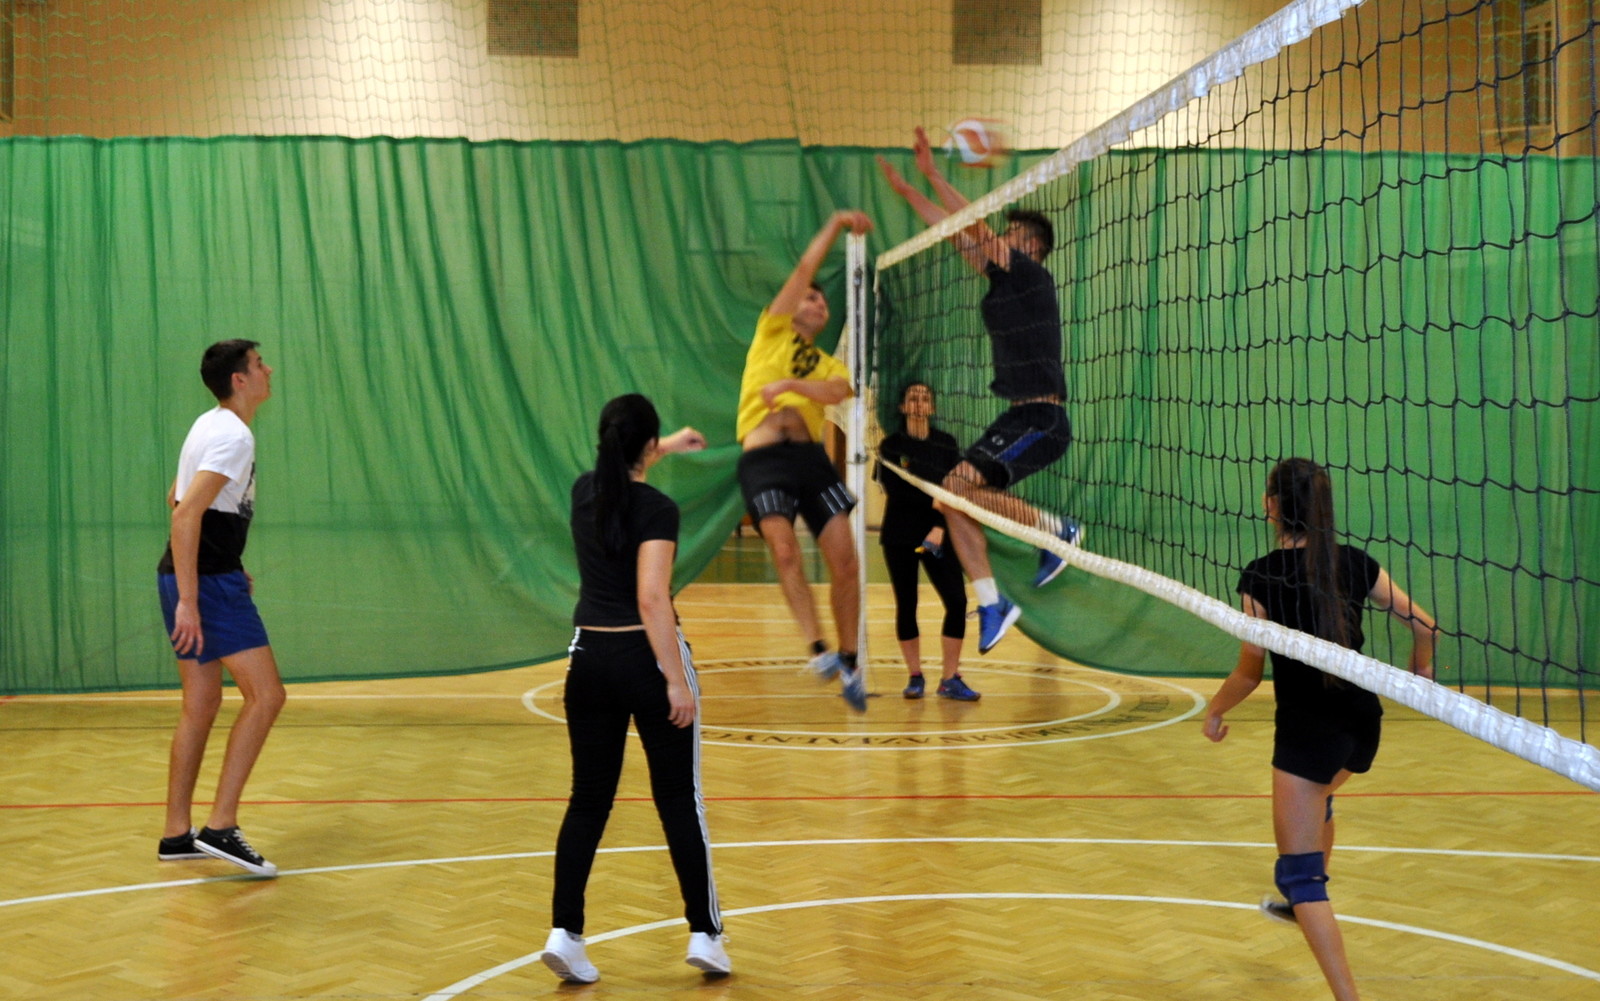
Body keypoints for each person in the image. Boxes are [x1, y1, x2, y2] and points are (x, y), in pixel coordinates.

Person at [1202, 458, 1437, 1001]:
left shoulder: (1260, 576)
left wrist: (1214, 711)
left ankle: (1332, 963)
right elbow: (1425, 625)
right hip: (1362, 724)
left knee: (1299, 874)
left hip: (1308, 737)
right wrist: (1421, 673)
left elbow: (1248, 673)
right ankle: (1301, 899)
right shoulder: (1353, 562)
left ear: (1272, 505)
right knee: (1319, 801)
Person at [539, 394, 729, 984]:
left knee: (587, 800)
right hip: (645, 662)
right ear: (646, 445)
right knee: (678, 799)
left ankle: (564, 933)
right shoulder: (658, 509)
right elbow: (651, 599)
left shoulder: (583, 491)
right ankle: (705, 935)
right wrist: (675, 680)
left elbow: (620, 470)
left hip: (588, 663)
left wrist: (662, 445)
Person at [878, 127, 1081, 657]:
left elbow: (973, 222)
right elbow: (954, 231)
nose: (1001, 239)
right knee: (950, 495)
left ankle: (1056, 530)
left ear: (1030, 246)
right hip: (1015, 417)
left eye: (1011, 234)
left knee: (956, 489)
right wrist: (909, 190)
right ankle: (993, 602)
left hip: (1042, 420)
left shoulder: (1032, 276)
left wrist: (933, 173)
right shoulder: (1001, 280)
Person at [155, 339, 286, 878]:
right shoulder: (234, 434)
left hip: (189, 574)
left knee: (201, 703)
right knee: (267, 696)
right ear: (240, 379)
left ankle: (176, 834)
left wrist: (223, 563)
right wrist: (192, 600)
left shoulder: (207, 424)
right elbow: (184, 514)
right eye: (258, 363)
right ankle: (221, 827)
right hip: (205, 585)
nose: (268, 369)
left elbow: (174, 496)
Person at [736, 209, 873, 711]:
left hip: (812, 461)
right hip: (765, 461)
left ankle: (850, 660)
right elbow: (803, 271)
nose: (817, 302)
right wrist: (835, 225)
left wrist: (792, 386)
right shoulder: (771, 332)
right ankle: (818, 649)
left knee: (846, 561)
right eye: (809, 296)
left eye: (822, 300)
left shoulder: (828, 363)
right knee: (785, 550)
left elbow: (838, 391)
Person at [875, 381, 976, 700]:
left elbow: (954, 488)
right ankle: (915, 675)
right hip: (899, 534)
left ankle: (949, 679)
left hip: (939, 533)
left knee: (957, 601)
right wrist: (933, 501)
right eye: (912, 398)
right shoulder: (891, 446)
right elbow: (894, 489)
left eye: (924, 399)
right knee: (907, 604)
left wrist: (939, 525)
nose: (919, 403)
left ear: (931, 408)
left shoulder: (945, 444)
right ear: (903, 407)